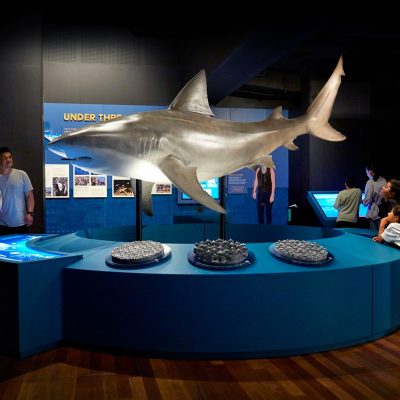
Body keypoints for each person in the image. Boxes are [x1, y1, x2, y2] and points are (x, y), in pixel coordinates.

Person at [0, 147, 34, 235]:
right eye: (4, 158)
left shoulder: (22, 174)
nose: (8, 160)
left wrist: (30, 213)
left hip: (21, 224)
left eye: (10, 157)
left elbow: (29, 196)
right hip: (2, 225)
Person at [363, 164, 386, 230]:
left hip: (374, 212)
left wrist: (363, 202)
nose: (367, 174)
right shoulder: (384, 180)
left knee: (374, 234)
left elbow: (367, 199)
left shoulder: (370, 182)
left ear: (370, 172)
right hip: (383, 210)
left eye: (366, 172)